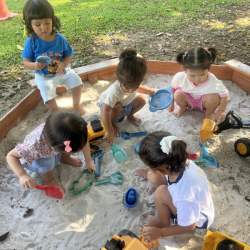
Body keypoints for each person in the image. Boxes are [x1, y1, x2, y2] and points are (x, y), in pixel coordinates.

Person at [135, 131, 214, 242]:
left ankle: (164, 226)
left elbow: (190, 225)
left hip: (199, 218)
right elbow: (158, 175)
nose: (149, 169)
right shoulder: (179, 160)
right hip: (191, 197)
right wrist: (150, 173)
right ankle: (153, 177)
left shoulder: (184, 195)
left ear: (162, 170)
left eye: (150, 167)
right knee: (152, 177)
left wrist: (161, 233)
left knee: (160, 193)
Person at [6, 111, 96, 193]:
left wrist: (88, 160)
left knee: (63, 149)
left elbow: (83, 141)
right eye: (70, 152)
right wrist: (22, 175)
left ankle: (65, 159)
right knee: (47, 163)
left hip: (53, 150)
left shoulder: (66, 131)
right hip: (35, 159)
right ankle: (48, 181)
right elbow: (10, 156)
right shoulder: (33, 146)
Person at [22, 0, 84, 116]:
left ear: (53, 20)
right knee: (45, 89)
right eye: (37, 24)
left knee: (76, 81)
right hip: (43, 75)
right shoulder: (31, 42)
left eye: (47, 23)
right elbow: (26, 62)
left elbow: (69, 55)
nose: (43, 27)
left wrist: (64, 64)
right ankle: (55, 109)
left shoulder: (59, 38)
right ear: (30, 25)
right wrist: (35, 65)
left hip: (62, 71)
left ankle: (76, 105)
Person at [97, 48, 156, 145]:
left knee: (142, 99)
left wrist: (147, 90)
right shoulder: (114, 92)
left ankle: (129, 116)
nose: (132, 90)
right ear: (118, 79)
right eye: (128, 87)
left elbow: (136, 87)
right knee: (117, 107)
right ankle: (112, 123)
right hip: (110, 108)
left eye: (135, 86)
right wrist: (109, 131)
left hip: (126, 103)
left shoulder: (132, 82)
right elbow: (105, 110)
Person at [167, 47, 229, 121]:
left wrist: (221, 110)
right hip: (188, 99)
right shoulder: (180, 77)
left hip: (205, 102)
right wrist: (171, 103)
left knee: (214, 98)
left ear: (208, 69)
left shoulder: (213, 80)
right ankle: (182, 107)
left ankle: (209, 113)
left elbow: (224, 94)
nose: (197, 79)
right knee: (177, 95)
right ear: (185, 71)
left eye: (202, 74)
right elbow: (172, 89)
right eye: (192, 76)